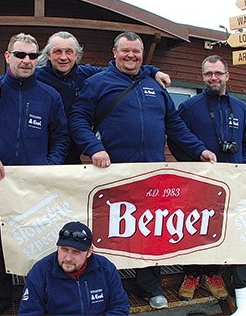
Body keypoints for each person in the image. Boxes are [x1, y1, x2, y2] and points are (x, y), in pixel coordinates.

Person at [69, 31, 217, 309]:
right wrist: (93, 147)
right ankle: (104, 290)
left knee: (149, 233)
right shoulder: (97, 83)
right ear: (114, 53)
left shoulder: (155, 85)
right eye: (125, 50)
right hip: (110, 175)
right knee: (110, 232)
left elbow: (175, 126)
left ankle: (150, 286)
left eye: (136, 52)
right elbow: (78, 119)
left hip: (151, 175)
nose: (131, 56)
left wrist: (199, 149)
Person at [0, 33, 70, 315]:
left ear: (38, 59)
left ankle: (38, 296)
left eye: (32, 56)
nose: (26, 61)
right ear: (8, 56)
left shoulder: (49, 96)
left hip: (36, 187)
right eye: (20, 55)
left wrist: (49, 165)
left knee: (41, 242)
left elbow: (61, 137)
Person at [0, 30, 171, 164]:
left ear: (77, 55)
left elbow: (124, 69)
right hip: (44, 157)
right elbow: (11, 79)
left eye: (69, 52)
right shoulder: (36, 76)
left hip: (74, 155)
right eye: (57, 52)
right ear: (47, 55)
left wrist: (153, 71)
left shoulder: (87, 75)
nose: (63, 57)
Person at [167, 55, 246, 306]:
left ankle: (213, 273)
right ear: (203, 76)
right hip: (198, 182)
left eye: (218, 73)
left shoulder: (241, 108)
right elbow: (175, 139)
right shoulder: (189, 107)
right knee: (195, 227)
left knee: (221, 228)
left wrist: (245, 164)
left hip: (231, 184)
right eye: (208, 74)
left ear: (227, 76)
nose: (213, 78)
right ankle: (191, 275)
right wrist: (192, 164)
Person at [18, 221, 129, 315]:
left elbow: (119, 306)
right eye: (64, 249)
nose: (68, 258)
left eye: (76, 252)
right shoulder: (40, 272)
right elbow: (29, 312)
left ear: (90, 251)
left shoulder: (105, 268)